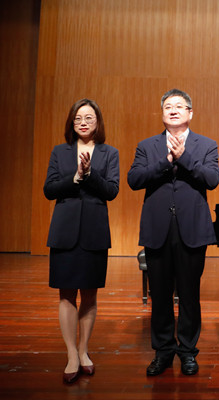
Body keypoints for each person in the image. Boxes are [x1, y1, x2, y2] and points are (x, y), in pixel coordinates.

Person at [127, 89, 219, 376]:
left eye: (180, 106)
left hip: (192, 229)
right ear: (162, 113)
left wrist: (185, 158)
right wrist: (165, 161)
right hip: (158, 230)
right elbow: (134, 179)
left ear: (190, 113)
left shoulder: (207, 145)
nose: (173, 110)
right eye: (168, 106)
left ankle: (188, 351)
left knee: (190, 295)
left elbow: (212, 179)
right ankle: (163, 352)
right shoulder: (147, 146)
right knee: (160, 295)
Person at [43, 99, 120, 384]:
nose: (83, 123)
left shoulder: (110, 153)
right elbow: (49, 189)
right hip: (64, 231)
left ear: (98, 121)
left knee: (90, 294)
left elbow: (111, 190)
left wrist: (89, 174)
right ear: (71, 123)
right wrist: (76, 176)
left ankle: (84, 349)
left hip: (94, 231)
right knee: (66, 294)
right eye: (78, 118)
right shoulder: (59, 151)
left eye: (88, 118)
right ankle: (71, 354)